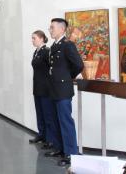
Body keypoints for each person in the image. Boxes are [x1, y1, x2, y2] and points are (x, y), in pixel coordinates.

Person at [45, 18, 84, 167]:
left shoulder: (67, 45)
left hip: (63, 89)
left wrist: (67, 77)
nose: (50, 30)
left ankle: (71, 153)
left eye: (52, 27)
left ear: (62, 29)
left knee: (65, 121)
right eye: (50, 27)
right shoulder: (54, 46)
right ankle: (60, 149)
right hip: (54, 89)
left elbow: (79, 65)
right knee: (56, 120)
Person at [29, 30, 55, 151]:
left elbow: (52, 69)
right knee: (39, 113)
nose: (32, 40)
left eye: (34, 38)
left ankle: (50, 139)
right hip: (37, 88)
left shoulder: (47, 51)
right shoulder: (36, 52)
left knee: (47, 114)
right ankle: (42, 135)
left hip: (46, 89)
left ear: (41, 38)